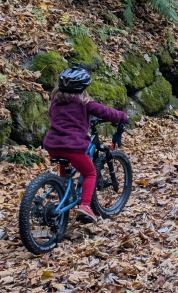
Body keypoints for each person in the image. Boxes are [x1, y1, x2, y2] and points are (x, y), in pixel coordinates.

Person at [43, 66, 129, 223]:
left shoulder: (55, 102)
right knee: (90, 173)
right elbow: (106, 112)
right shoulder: (84, 103)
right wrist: (122, 117)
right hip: (72, 147)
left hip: (53, 146)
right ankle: (85, 206)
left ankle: (65, 195)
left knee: (66, 171)